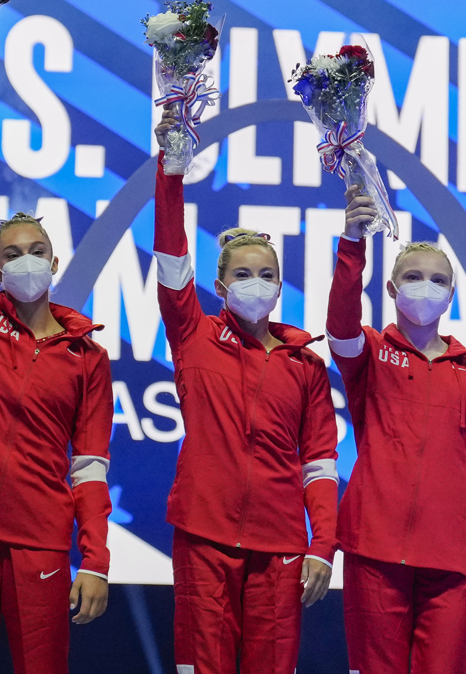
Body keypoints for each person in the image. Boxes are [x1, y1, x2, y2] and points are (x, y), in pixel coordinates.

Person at [0, 71, 114, 674]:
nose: (25, 261)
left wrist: (97, 559)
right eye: (11, 253)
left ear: (55, 262)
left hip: (41, 534)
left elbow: (88, 468)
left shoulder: (87, 357)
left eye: (35, 251)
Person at [152, 113, 339, 674]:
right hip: (203, 533)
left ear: (280, 288)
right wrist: (171, 171)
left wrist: (322, 544)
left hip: (280, 542)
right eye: (242, 274)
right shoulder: (192, 333)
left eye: (265, 274)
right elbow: (169, 256)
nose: (254, 283)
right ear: (219, 285)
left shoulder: (306, 363)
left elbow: (322, 465)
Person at [328, 188, 466, 673]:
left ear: (452, 295)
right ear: (391, 290)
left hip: (448, 557)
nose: (425, 287)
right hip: (374, 547)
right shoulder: (367, 354)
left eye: (438, 281)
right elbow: (340, 325)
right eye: (413, 277)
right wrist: (353, 242)